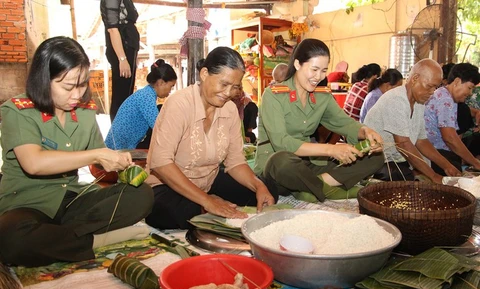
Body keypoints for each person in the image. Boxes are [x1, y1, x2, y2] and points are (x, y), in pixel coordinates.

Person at [0, 37, 154, 267]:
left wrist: (121, 165)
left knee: (142, 195)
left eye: (82, 85)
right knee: (10, 240)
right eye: (68, 87)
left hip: (73, 201)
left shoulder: (83, 113)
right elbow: (34, 163)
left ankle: (54, 237)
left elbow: (98, 162)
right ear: (43, 80)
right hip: (26, 204)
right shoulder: (18, 111)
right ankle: (95, 240)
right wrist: (96, 155)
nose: (77, 95)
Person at [145, 47, 277, 230]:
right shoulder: (179, 104)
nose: (229, 92)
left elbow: (235, 162)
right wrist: (207, 201)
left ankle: (207, 203)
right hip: (168, 185)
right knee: (170, 212)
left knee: (268, 189)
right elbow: (160, 163)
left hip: (208, 180)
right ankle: (204, 204)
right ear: (205, 74)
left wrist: (258, 186)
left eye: (235, 87)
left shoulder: (229, 110)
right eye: (223, 84)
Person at [254, 38, 384, 203]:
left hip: (307, 166)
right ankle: (329, 190)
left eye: (323, 70)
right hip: (279, 170)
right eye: (314, 69)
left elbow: (344, 123)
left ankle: (315, 187)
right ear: (297, 64)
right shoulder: (274, 95)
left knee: (375, 156)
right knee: (281, 160)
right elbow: (281, 142)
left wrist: (366, 131)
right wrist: (330, 150)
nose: (318, 77)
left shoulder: (321, 95)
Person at [364, 59, 461, 183]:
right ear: (415, 79)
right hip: (378, 161)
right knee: (404, 177)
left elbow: (421, 141)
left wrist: (447, 167)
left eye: (436, 87)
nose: (432, 92)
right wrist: (434, 176)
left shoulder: (419, 102)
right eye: (429, 86)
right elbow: (403, 144)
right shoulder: (396, 99)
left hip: (399, 159)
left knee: (451, 161)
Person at [105, 59, 177, 150]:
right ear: (161, 83)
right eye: (171, 86)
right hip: (118, 149)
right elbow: (159, 128)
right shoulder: (146, 97)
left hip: (124, 146)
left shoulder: (147, 94)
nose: (170, 91)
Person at [424, 62, 480, 174]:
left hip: (438, 150)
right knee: (455, 170)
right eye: (469, 88)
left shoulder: (447, 97)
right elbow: (450, 138)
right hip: (432, 152)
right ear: (457, 81)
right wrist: (475, 162)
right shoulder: (445, 99)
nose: (470, 93)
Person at [100, 0, 140, 122]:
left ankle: (124, 132)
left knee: (126, 95)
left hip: (127, 48)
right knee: (121, 96)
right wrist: (122, 59)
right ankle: (118, 135)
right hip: (122, 49)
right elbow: (112, 29)